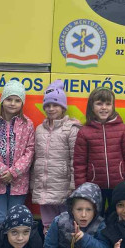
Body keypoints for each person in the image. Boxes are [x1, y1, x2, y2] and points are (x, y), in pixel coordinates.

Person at [73, 87, 125, 216]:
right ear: (91, 106)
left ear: (113, 106)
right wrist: (82, 188)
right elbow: (79, 164)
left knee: (117, 217)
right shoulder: (84, 132)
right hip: (94, 187)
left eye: (108, 104)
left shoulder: (123, 129)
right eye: (99, 104)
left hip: (119, 186)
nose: (104, 108)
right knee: (96, 218)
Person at [0, 80, 35, 230]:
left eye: (17, 100)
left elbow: (30, 151)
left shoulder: (28, 125)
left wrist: (14, 172)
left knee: (15, 220)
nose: (12, 103)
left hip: (19, 181)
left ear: (22, 103)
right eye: (9, 99)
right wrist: (2, 172)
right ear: (2, 101)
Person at [31, 80, 81, 231]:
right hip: (44, 188)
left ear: (63, 107)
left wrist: (73, 186)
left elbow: (75, 160)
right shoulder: (39, 129)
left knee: (66, 226)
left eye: (55, 105)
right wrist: (33, 183)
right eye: (48, 105)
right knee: (47, 226)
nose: (51, 109)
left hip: (64, 188)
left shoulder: (71, 129)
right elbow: (36, 159)